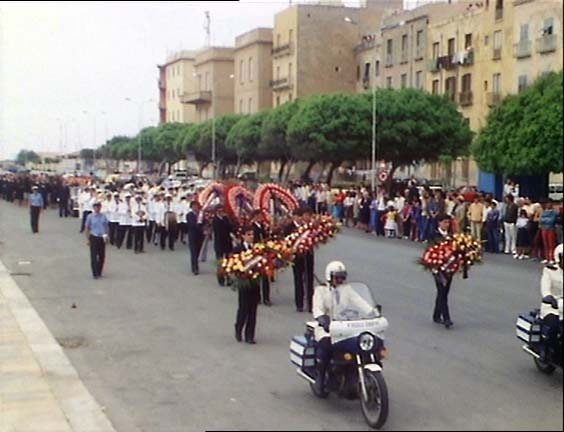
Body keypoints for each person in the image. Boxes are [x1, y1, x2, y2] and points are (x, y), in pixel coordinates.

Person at [311, 261, 377, 394]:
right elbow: (317, 308)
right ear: (329, 277)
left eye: (342, 277)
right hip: (326, 329)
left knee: (361, 345)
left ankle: (355, 377)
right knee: (326, 347)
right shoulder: (321, 290)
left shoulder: (347, 289)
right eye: (337, 277)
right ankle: (321, 380)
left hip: (345, 327)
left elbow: (359, 302)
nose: (340, 280)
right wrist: (323, 319)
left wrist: (372, 313)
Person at [233, 226, 260, 344]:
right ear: (243, 236)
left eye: (252, 234)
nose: (251, 237)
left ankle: (250, 335)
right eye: (248, 234)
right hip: (244, 284)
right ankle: (238, 328)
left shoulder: (257, 249)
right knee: (243, 308)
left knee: (253, 309)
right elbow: (234, 264)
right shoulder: (238, 249)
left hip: (255, 283)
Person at [539, 244, 563, 361]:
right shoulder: (550, 271)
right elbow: (545, 288)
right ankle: (546, 348)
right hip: (553, 307)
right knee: (554, 326)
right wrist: (548, 297)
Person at [430, 214, 454, 329]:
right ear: (439, 223)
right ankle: (447, 318)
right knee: (442, 291)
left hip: (449, 268)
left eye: (448, 223)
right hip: (438, 268)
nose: (447, 225)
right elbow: (431, 250)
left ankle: (436, 314)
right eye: (445, 222)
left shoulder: (451, 236)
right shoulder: (434, 235)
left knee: (443, 292)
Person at [84, 201, 109, 279]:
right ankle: (95, 273)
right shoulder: (90, 217)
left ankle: (99, 271)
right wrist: (88, 239)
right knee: (94, 256)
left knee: (102, 256)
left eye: (98, 207)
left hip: (102, 237)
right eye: (96, 207)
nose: (97, 208)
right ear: (93, 208)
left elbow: (106, 227)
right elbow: (87, 228)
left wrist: (107, 236)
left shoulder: (103, 216)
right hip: (94, 236)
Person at [212, 205, 234, 286]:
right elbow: (218, 232)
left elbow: (230, 228)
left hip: (227, 243)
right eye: (219, 210)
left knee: (229, 262)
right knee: (220, 263)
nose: (221, 212)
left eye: (222, 210)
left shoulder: (226, 218)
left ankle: (228, 278)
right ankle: (221, 279)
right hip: (219, 244)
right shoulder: (215, 220)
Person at [187, 200, 204, 275]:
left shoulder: (201, 214)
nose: (195, 207)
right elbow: (192, 225)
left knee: (197, 251)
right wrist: (199, 226)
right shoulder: (189, 215)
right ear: (191, 207)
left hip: (200, 236)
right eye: (194, 206)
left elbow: (204, 222)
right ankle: (195, 268)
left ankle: (195, 263)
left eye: (196, 206)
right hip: (192, 235)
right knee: (193, 252)